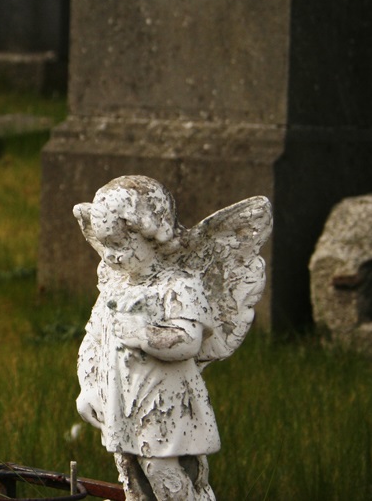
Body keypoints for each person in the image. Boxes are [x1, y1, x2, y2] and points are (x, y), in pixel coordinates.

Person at [74, 176, 229, 501]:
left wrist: (145, 335)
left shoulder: (178, 286)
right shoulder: (114, 288)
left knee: (163, 472)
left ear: (152, 235)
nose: (111, 256)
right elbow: (93, 339)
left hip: (164, 405)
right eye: (106, 246)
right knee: (130, 472)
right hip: (120, 402)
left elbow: (188, 340)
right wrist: (88, 386)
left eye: (120, 244)